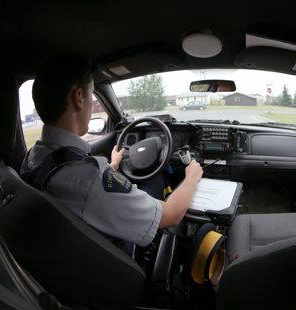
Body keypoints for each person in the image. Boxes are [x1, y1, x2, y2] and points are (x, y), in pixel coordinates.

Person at [20, 53, 203, 252]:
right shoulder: (90, 180)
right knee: (156, 182)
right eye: (91, 94)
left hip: (72, 254)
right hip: (119, 261)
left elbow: (81, 187)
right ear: (78, 98)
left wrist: (112, 166)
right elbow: (172, 214)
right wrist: (192, 176)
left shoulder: (35, 156)